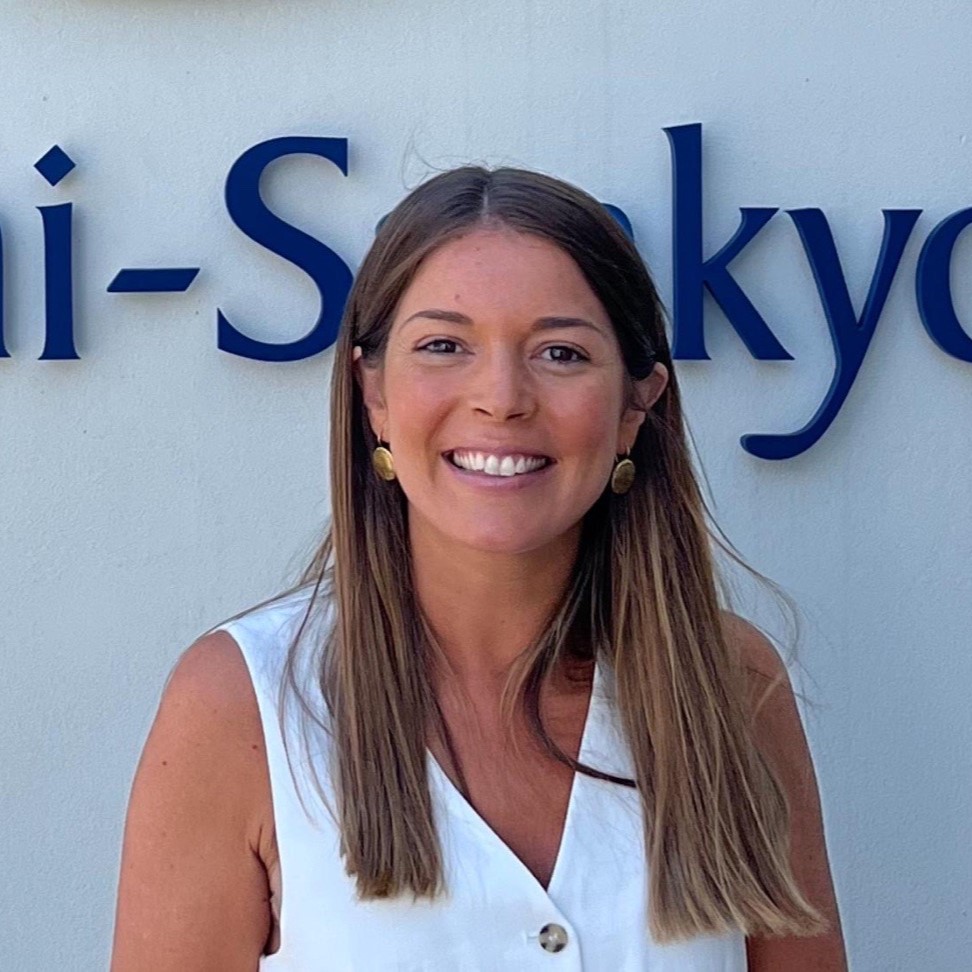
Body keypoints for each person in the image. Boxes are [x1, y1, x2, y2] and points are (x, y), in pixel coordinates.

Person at [110, 166, 847, 970]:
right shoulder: (242, 706)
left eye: (560, 352)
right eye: (444, 346)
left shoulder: (730, 686)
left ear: (636, 406)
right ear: (372, 392)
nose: (501, 397)